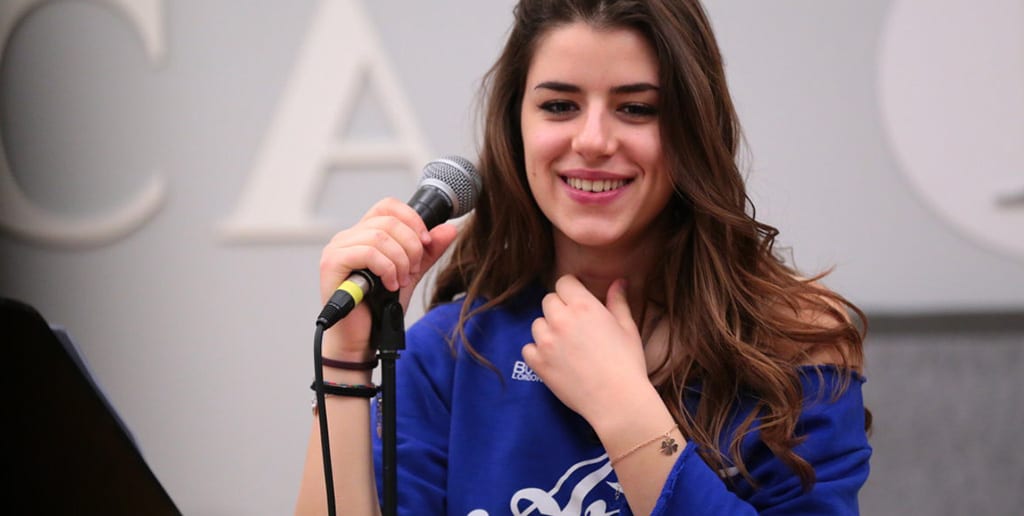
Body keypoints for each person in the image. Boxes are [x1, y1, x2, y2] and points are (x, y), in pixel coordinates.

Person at [296, 0, 872, 514]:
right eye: (559, 105)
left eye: (636, 109)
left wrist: (626, 412)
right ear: (516, 128)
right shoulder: (448, 353)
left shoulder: (794, 347)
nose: (593, 140)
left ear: (694, 129)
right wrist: (346, 363)